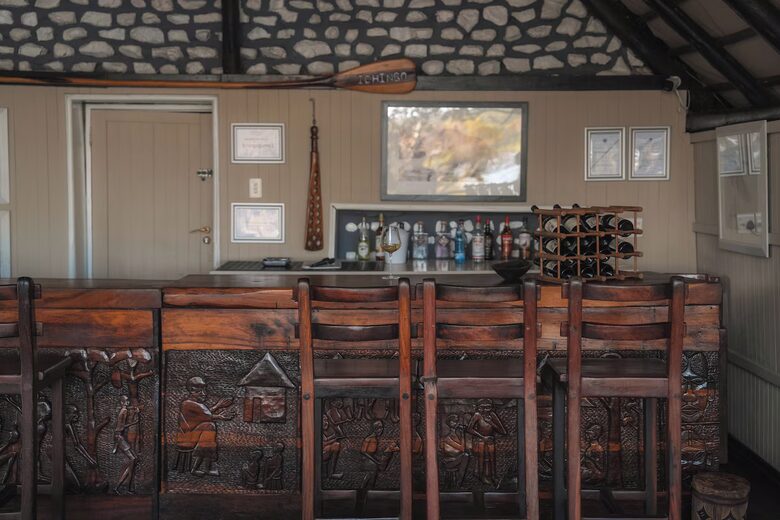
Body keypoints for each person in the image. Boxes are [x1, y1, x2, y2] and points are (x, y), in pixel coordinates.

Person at [175, 376, 234, 477]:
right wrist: (220, 414)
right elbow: (207, 415)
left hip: (192, 435)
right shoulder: (188, 403)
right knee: (209, 427)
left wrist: (218, 408)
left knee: (208, 430)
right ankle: (207, 467)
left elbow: (204, 414)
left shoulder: (192, 404)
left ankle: (202, 468)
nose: (204, 394)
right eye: (201, 391)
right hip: (187, 438)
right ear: (193, 391)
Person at [466, 399, 507, 486]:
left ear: (491, 408)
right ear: (479, 408)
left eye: (488, 407)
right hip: (481, 440)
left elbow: (503, 431)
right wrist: (482, 437)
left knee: (492, 459)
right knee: (481, 458)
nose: (485, 410)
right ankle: (480, 476)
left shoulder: (492, 415)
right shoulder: (477, 415)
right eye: (482, 408)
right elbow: (469, 429)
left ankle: (493, 476)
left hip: (490, 440)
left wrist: (491, 423)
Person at [113, 395, 140, 493]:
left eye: (128, 401)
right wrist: (134, 422)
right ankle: (122, 487)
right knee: (133, 459)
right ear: (121, 403)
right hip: (119, 437)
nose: (127, 403)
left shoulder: (124, 410)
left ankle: (121, 487)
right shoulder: (124, 411)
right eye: (125, 401)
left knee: (134, 460)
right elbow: (122, 426)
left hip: (119, 437)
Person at [440, 414, 469, 489]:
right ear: (449, 423)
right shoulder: (447, 438)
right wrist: (463, 434)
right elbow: (462, 448)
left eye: (457, 422)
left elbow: (462, 449)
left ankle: (459, 483)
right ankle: (458, 484)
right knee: (465, 456)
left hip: (455, 459)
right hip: (448, 462)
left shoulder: (456, 435)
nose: (457, 423)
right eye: (454, 422)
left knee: (466, 455)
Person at [322, 415, 343, 480]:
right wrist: (333, 439)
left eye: (327, 420)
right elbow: (322, 444)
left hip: (323, 452)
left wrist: (334, 437)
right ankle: (326, 474)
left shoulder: (325, 431)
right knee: (335, 445)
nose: (326, 422)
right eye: (324, 420)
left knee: (336, 445)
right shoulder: (315, 430)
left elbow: (326, 439)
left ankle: (330, 473)